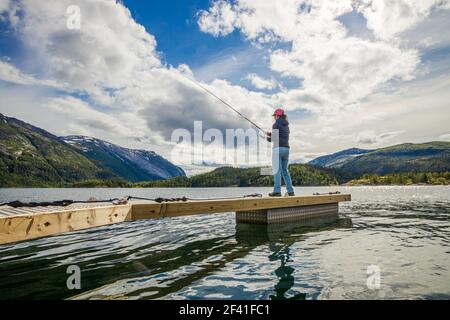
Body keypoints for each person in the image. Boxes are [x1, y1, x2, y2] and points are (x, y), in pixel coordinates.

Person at [266, 108, 295, 197]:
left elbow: (274, 139)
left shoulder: (275, 124)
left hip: (277, 149)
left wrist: (268, 138)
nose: (274, 117)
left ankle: (277, 191)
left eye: (275, 116)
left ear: (277, 115)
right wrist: (271, 134)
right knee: (285, 170)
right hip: (286, 149)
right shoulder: (286, 126)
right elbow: (281, 135)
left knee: (276, 170)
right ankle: (290, 191)